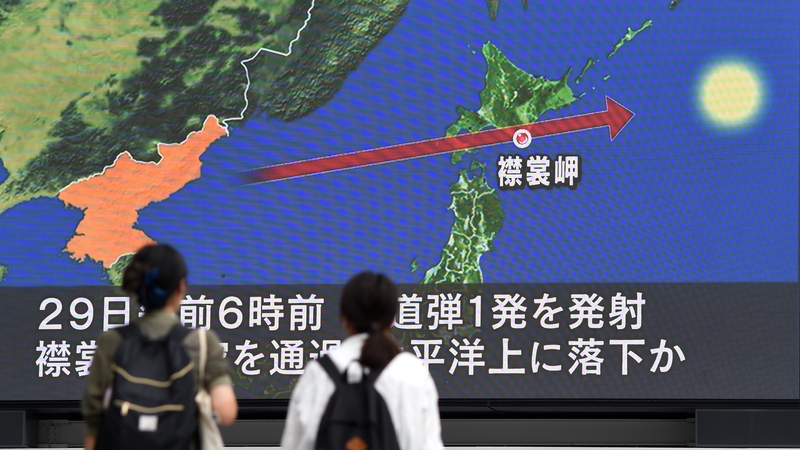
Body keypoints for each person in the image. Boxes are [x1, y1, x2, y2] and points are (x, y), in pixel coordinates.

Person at [82, 244, 237, 449]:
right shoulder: (202, 342)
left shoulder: (111, 341)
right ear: (181, 286)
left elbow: (94, 415)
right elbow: (226, 412)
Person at [281, 271, 444, 450]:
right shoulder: (411, 371)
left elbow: (293, 445)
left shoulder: (317, 373)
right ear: (391, 320)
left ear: (344, 318)